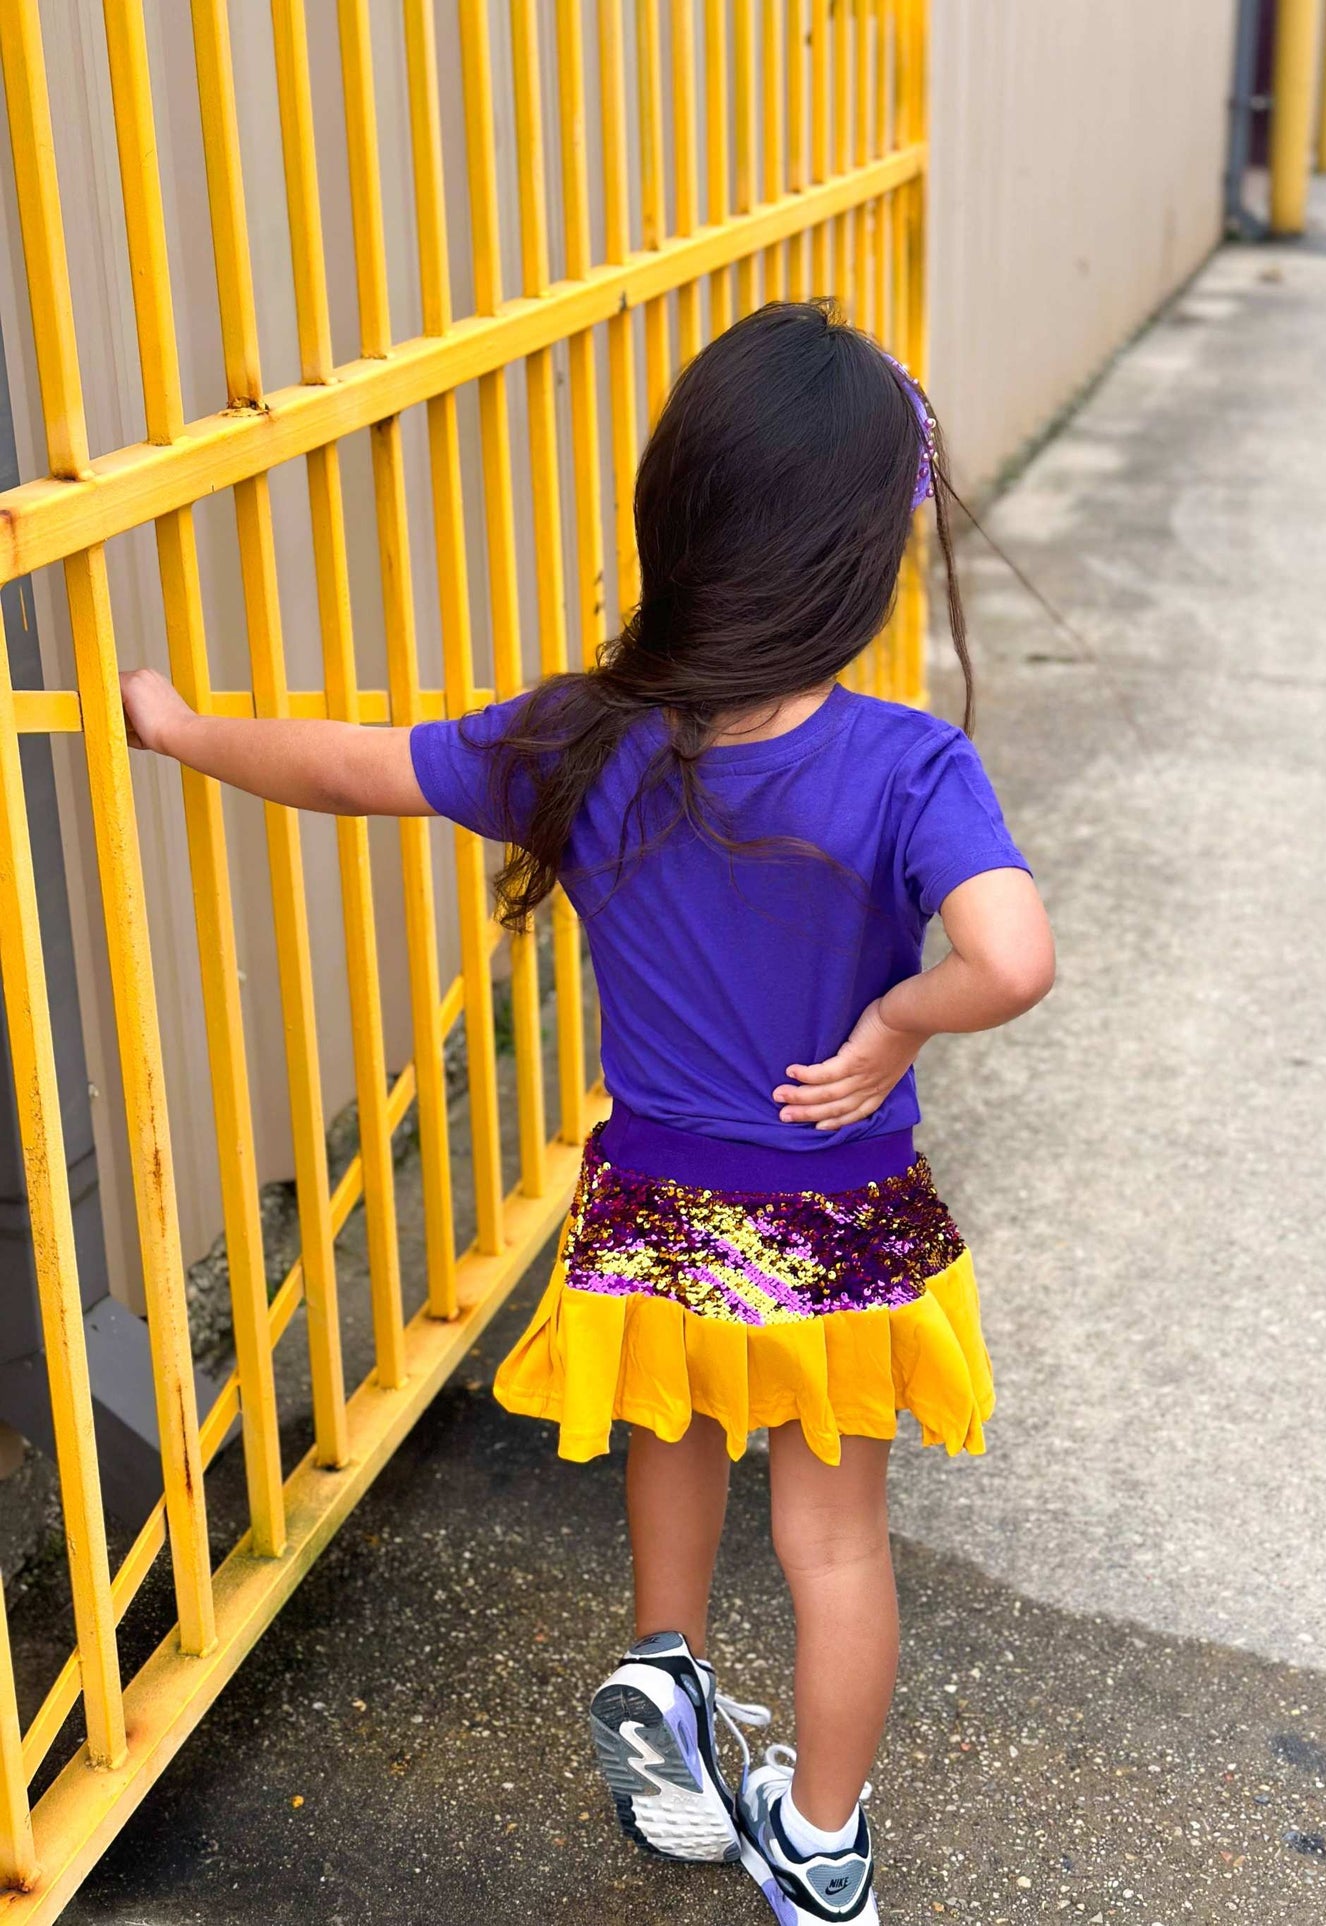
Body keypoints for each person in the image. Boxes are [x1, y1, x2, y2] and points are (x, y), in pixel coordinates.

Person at [121, 300, 1054, 1925]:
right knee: (833, 1543)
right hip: (834, 1233)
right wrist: (899, 1018)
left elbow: (352, 764)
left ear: (677, 524)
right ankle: (820, 1847)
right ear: (863, 557)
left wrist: (184, 726)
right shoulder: (905, 768)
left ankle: (667, 1662)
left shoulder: (585, 736)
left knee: (667, 1429)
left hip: (653, 1211)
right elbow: (1012, 959)